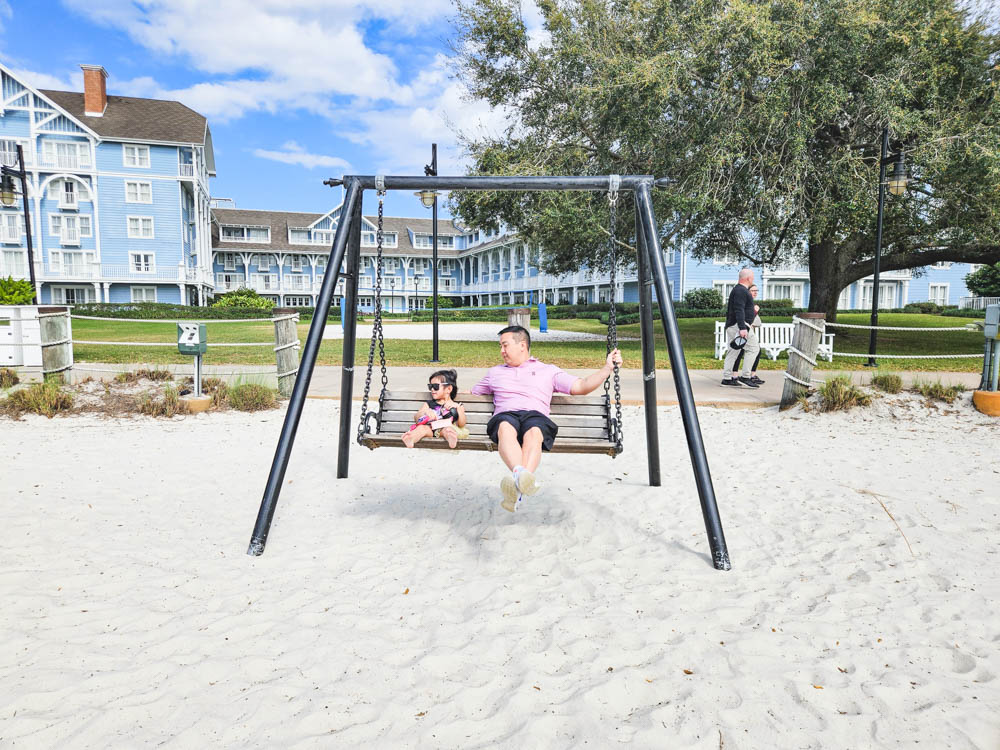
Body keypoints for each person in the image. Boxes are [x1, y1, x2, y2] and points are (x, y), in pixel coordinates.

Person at [470, 325, 623, 512]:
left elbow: (581, 386)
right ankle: (521, 478)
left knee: (534, 432)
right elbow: (472, 393)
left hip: (535, 416)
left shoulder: (548, 371)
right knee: (504, 427)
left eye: (505, 345)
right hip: (506, 414)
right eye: (500, 346)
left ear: (522, 345)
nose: (501, 351)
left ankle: (516, 487)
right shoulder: (494, 373)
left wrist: (608, 368)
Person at [401, 369, 469, 449]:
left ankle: (451, 438)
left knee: (448, 430)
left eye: (436, 386)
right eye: (430, 386)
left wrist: (459, 409)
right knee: (422, 429)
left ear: (449, 389)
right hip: (430, 429)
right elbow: (416, 418)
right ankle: (411, 438)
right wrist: (425, 412)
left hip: (444, 430)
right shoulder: (429, 404)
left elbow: (462, 424)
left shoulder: (457, 405)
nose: (432, 389)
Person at [721, 268, 762, 388]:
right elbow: (739, 310)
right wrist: (743, 327)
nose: (753, 279)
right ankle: (746, 376)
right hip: (740, 326)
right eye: (753, 277)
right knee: (754, 348)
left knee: (734, 351)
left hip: (735, 325)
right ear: (748, 278)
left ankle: (727, 378)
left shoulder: (738, 290)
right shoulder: (741, 291)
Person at [731, 283, 765, 385]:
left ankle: (752, 375)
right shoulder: (747, 304)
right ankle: (736, 375)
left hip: (748, 331)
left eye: (756, 291)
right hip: (743, 330)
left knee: (757, 352)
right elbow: (747, 319)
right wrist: (754, 312)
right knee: (740, 352)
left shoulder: (751, 304)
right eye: (753, 291)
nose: (755, 293)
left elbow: (758, 323)